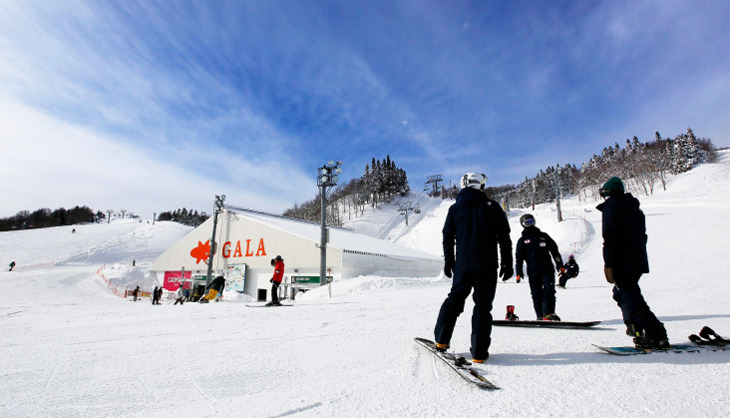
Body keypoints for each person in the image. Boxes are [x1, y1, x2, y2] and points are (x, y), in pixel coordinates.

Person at [433, 172, 513, 363]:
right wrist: (507, 263)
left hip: (463, 265)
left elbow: (447, 236)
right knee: (483, 306)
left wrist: (449, 261)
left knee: (454, 300)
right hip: (487, 265)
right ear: (480, 186)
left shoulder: (455, 209)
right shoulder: (492, 207)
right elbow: (504, 237)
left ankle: (441, 341)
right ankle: (479, 352)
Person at [597, 177, 669, 349]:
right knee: (622, 293)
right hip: (636, 260)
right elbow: (642, 236)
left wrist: (609, 264)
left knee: (631, 298)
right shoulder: (634, 208)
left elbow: (610, 237)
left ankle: (656, 334)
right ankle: (635, 327)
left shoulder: (611, 208)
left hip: (622, 262)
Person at [514, 214, 564, 321]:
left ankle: (549, 313)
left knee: (549, 290)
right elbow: (519, 258)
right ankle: (540, 315)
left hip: (547, 269)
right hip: (533, 271)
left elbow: (554, 250)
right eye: (527, 223)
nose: (530, 224)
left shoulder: (544, 236)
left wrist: (559, 264)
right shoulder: (522, 241)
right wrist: (518, 272)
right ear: (523, 224)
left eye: (532, 221)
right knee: (536, 293)